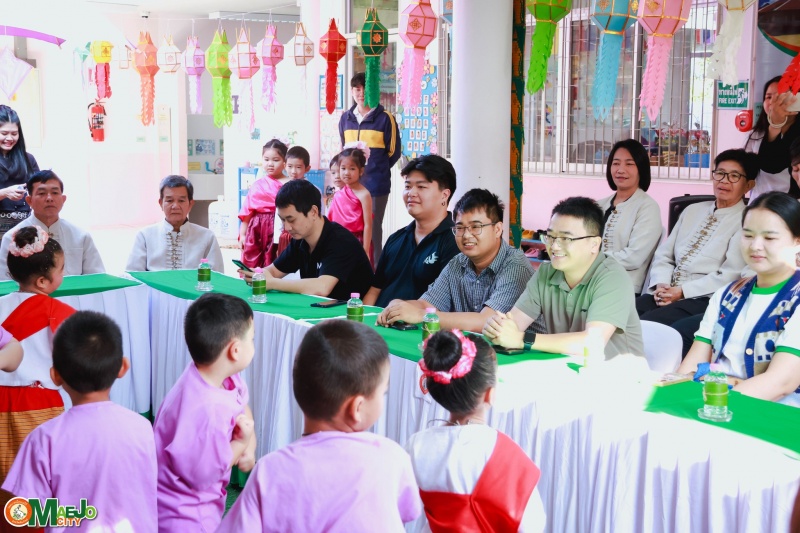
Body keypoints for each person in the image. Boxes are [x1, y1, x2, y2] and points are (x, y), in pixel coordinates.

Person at [217, 320, 421, 531]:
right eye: (382, 393)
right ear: (357, 408)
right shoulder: (392, 457)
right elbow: (408, 512)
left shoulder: (269, 470)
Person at [2, 311, 157, 531]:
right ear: (122, 367)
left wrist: (82, 512)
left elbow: (28, 515)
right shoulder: (142, 428)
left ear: (55, 376)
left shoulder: (43, 439)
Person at [406, 330, 545, 532]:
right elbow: (533, 523)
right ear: (490, 394)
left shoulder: (417, 445)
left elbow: (404, 507)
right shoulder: (505, 453)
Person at [677, 191, 800, 406]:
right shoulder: (726, 295)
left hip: (774, 415)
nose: (755, 246)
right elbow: (690, 368)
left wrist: (715, 399)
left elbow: (780, 383)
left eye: (769, 238)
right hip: (713, 407)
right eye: (748, 235)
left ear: (797, 242)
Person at [483, 197, 644, 359]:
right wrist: (498, 328)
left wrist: (522, 339)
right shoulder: (546, 273)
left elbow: (592, 343)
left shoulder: (613, 278)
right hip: (565, 367)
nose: (554, 246)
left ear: (594, 244)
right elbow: (514, 325)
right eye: (550, 236)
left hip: (617, 372)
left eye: (566, 238)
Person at [154, 293, 256, 532]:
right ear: (235, 350)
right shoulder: (207, 411)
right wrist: (240, 444)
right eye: (252, 339)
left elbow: (243, 406)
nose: (254, 345)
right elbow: (204, 475)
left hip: (199, 502)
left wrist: (249, 448)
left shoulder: (220, 377)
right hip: (185, 513)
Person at [377, 189, 533, 333]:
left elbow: (487, 321)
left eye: (475, 227)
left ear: (497, 229)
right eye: (460, 228)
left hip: (524, 352)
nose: (466, 235)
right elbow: (427, 304)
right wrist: (400, 306)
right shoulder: (458, 263)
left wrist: (421, 315)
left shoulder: (516, 266)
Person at [636, 149, 757, 328]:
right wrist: (662, 284)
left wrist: (682, 291)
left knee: (646, 325)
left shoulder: (747, 221)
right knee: (621, 313)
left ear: (749, 185)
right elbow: (665, 255)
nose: (724, 181)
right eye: (720, 173)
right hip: (667, 291)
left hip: (702, 298)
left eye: (734, 176)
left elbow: (730, 274)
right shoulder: (692, 210)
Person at [0, 226, 75, 479]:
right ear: (42, 281)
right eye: (61, 269)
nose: (64, 274)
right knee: (40, 475)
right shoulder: (61, 313)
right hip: (39, 405)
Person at [243, 179, 374, 301]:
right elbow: (273, 271)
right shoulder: (300, 239)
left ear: (313, 212)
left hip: (354, 313)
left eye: (291, 220)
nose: (287, 227)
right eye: (283, 220)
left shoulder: (341, 241)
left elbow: (322, 287)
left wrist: (273, 283)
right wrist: (257, 274)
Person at [364, 154, 459, 308]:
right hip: (378, 319)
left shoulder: (455, 241)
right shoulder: (395, 239)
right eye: (408, 186)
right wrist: (362, 319)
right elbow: (375, 290)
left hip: (419, 322)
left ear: (444, 195)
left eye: (421, 187)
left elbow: (448, 301)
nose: (411, 193)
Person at [339, 72, 402, 262]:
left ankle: (375, 272)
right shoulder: (345, 118)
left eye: (365, 89)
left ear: (374, 91)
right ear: (352, 91)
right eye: (357, 89)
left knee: (373, 229)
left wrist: (376, 169)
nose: (361, 94)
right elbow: (343, 151)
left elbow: (393, 152)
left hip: (376, 186)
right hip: (350, 187)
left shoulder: (385, 118)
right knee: (350, 226)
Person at [0, 170, 105, 280]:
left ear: (63, 199)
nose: (49, 198)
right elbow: (4, 282)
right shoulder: (12, 238)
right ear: (29, 200)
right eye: (42, 193)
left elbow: (97, 278)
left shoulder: (81, 236)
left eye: (55, 193)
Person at [597, 139, 662, 294]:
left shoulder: (647, 207)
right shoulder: (598, 205)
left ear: (641, 168)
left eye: (629, 164)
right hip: (590, 281)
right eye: (616, 163)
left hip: (622, 288)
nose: (620, 170)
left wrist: (589, 261)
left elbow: (633, 258)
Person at [126, 175, 224, 272]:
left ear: (190, 204)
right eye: (169, 200)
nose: (175, 206)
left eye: (181, 200)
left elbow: (217, 276)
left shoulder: (207, 237)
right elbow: (133, 275)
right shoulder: (145, 236)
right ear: (161, 203)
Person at [238, 139, 289, 269]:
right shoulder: (257, 184)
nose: (270, 164)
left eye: (276, 160)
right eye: (266, 159)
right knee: (252, 262)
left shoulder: (289, 184)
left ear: (285, 161)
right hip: (255, 229)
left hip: (277, 228)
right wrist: (242, 234)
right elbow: (248, 212)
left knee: (273, 262)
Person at [746, 76, 800, 199]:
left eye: (781, 96)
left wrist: (776, 124)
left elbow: (773, 165)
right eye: (768, 97)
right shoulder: (755, 134)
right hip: (759, 202)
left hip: (790, 205)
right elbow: (747, 171)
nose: (773, 102)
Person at [327, 147, 374, 264]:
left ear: (361, 171)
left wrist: (365, 250)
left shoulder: (364, 194)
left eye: (352, 168)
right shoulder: (338, 194)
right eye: (343, 168)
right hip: (338, 241)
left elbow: (368, 225)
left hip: (357, 242)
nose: (346, 173)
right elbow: (331, 222)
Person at [0, 105, 39, 238]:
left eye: (14, 134)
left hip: (23, 230)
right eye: (4, 133)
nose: (9, 138)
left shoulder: (29, 159)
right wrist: (4, 193)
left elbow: (38, 190)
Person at [276, 145, 312, 256]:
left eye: (298, 167)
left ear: (307, 168)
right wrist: (277, 241)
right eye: (290, 166)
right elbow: (278, 216)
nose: (293, 171)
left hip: (305, 237)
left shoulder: (313, 190)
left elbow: (319, 215)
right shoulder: (282, 189)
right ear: (284, 166)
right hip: (286, 236)